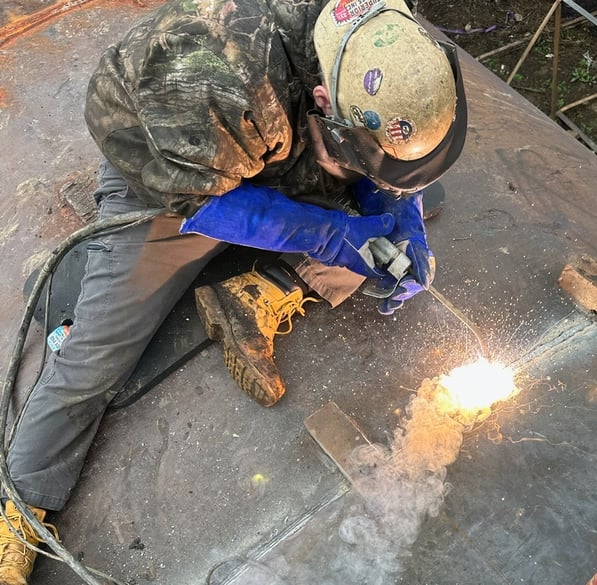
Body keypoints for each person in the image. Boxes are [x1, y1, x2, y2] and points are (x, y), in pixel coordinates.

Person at [0, 0, 466, 582]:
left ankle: (256, 288)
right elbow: (209, 202)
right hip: (174, 175)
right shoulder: (213, 81)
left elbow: (389, 153)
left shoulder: (379, 45)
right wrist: (328, 233)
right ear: (325, 102)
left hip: (277, 138)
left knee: (388, 246)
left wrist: (399, 207)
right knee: (97, 355)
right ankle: (15, 506)